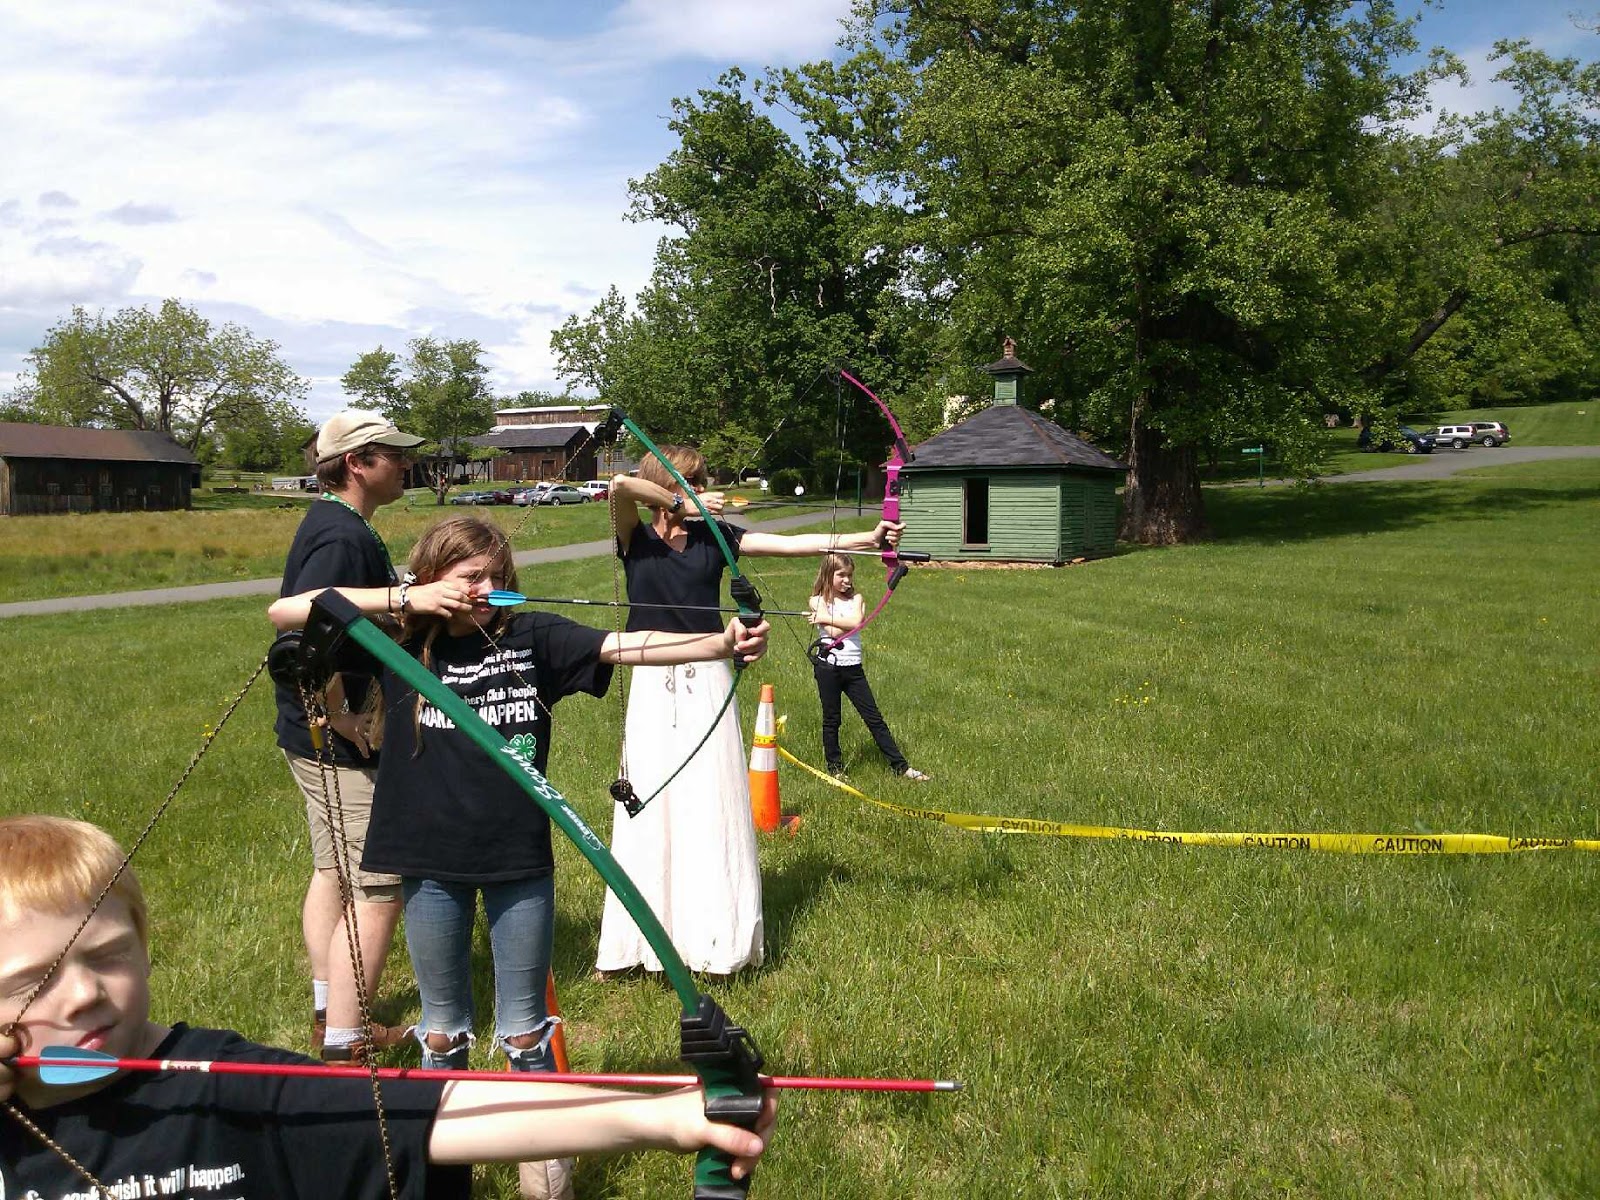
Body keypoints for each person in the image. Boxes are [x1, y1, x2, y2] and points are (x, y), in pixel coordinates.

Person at [270, 515, 771, 1200]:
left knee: (525, 1033)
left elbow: (626, 645)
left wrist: (720, 640)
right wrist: (404, 599)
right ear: (431, 577)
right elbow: (287, 611)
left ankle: (546, 1182)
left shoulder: (530, 636)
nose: (484, 589)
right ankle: (441, 1177)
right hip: (428, 860)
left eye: (495, 577)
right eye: (468, 576)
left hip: (516, 860)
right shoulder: (397, 638)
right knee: (443, 1032)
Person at [0, 814, 775, 1200]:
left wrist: (668, 1115)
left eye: (108, 956)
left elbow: (436, 1112)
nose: (85, 996)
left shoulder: (217, 1081)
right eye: (32, 982)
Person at [595, 448, 901, 978]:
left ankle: (716, 944)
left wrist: (865, 541)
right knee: (649, 803)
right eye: (682, 480)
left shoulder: (719, 536)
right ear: (663, 485)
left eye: (697, 480)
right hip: (648, 677)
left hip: (709, 677)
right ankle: (635, 947)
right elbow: (620, 488)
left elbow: (793, 543)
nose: (694, 486)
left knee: (710, 800)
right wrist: (679, 502)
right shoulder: (634, 537)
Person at [274, 409, 423, 1064]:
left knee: (333, 870)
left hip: (315, 735)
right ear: (358, 463)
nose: (405, 463)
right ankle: (346, 1039)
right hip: (336, 737)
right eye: (392, 454)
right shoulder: (340, 537)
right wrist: (339, 714)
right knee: (379, 884)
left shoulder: (345, 526)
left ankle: (326, 1011)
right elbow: (303, 633)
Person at [807, 553, 929, 782]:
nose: (847, 580)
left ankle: (901, 767)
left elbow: (856, 623)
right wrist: (830, 618)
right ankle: (835, 768)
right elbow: (833, 633)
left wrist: (825, 618)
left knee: (874, 718)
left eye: (850, 575)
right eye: (841, 575)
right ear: (827, 575)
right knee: (832, 719)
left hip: (854, 670)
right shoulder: (818, 601)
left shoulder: (857, 599)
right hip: (828, 668)